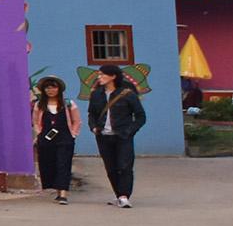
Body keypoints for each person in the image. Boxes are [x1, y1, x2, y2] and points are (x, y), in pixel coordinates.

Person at [86, 63, 146, 208]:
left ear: (113, 76)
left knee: (124, 165)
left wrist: (130, 131)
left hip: (122, 136)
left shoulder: (127, 94)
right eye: (98, 74)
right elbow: (91, 114)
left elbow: (140, 116)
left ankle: (124, 196)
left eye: (102, 74)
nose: (99, 77)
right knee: (111, 167)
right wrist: (93, 127)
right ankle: (118, 195)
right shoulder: (96, 94)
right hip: (103, 136)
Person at [29, 74, 79, 204]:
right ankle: (57, 191)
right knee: (49, 164)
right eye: (47, 88)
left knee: (64, 164)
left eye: (53, 87)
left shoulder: (68, 104)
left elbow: (76, 121)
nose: (50, 90)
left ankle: (63, 193)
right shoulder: (39, 105)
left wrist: (73, 134)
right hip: (46, 140)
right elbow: (35, 121)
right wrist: (39, 134)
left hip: (65, 138)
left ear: (59, 89)